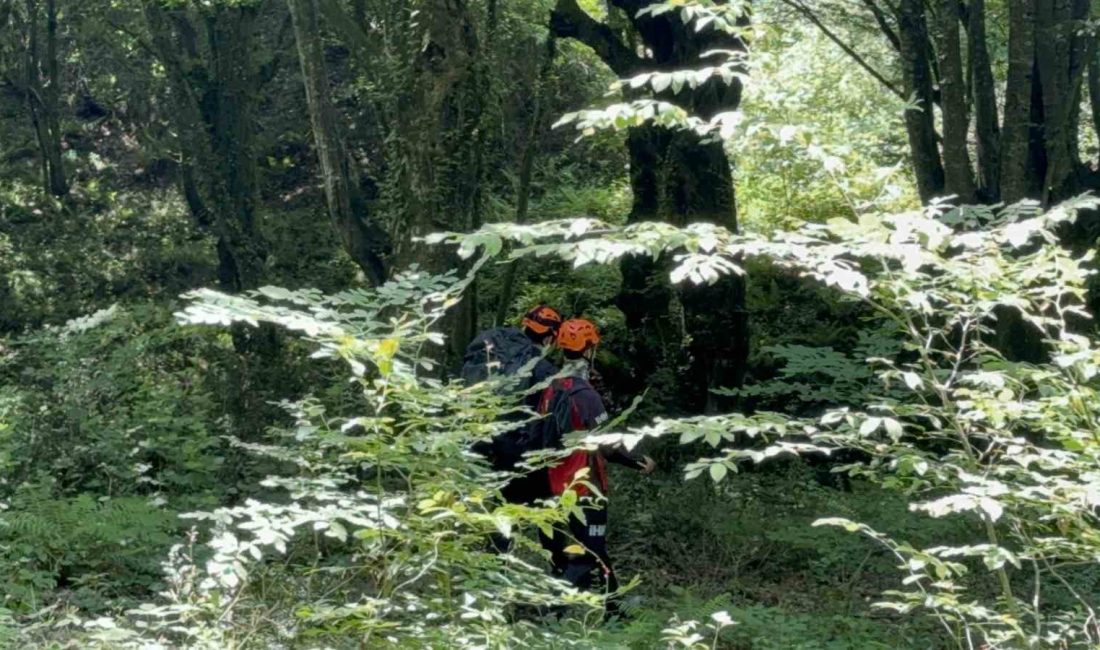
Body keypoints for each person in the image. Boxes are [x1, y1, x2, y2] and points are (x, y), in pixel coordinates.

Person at [535, 318, 655, 607]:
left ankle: (613, 610)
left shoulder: (549, 388)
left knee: (588, 552)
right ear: (589, 349)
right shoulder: (586, 395)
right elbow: (608, 446)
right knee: (589, 554)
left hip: (554, 485)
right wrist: (639, 464)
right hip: (586, 488)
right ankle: (550, 609)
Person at [462, 305, 563, 506]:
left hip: (477, 438)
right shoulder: (543, 369)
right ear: (549, 337)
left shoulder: (496, 344)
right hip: (515, 448)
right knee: (530, 508)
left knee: (487, 507)